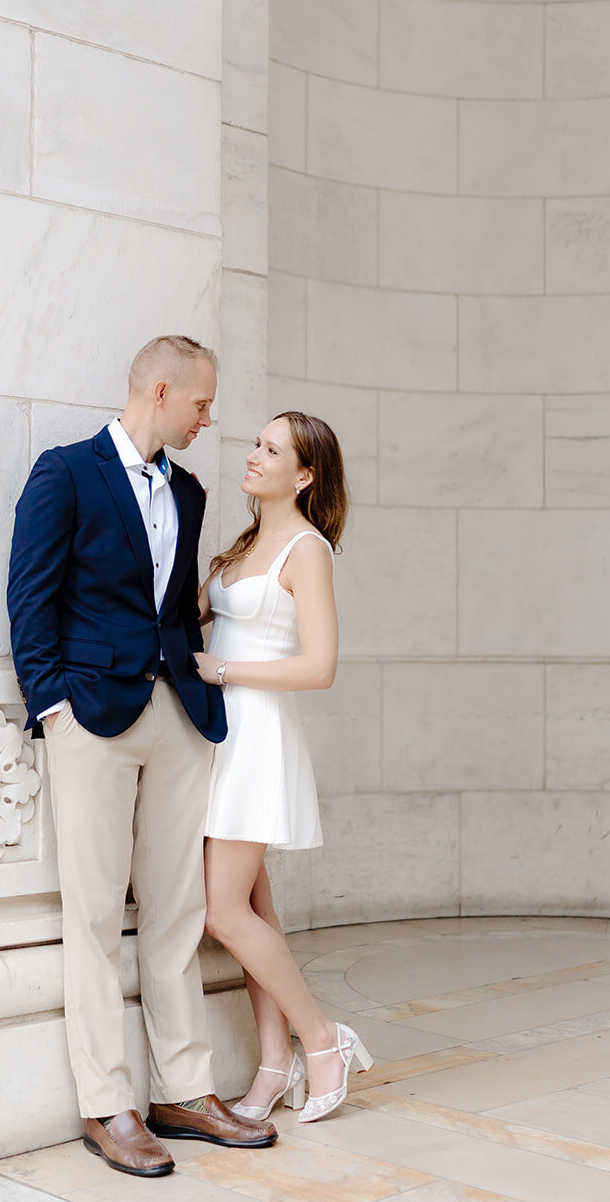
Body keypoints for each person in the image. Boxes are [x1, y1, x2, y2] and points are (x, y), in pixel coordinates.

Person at [6, 335, 277, 1180]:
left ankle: (183, 1090)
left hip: (177, 714)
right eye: (201, 405)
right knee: (91, 914)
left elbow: (173, 603)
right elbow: (29, 594)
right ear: (160, 392)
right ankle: (108, 1103)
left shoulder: (187, 491)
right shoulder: (67, 472)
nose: (208, 419)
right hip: (92, 715)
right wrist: (53, 706)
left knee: (175, 913)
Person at [191, 411, 372, 1125]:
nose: (253, 454)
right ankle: (273, 1062)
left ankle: (323, 1038)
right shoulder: (238, 546)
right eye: (255, 443)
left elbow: (319, 666)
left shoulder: (307, 549)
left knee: (221, 910)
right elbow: (181, 613)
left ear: (304, 475)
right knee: (253, 910)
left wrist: (224, 668)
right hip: (217, 738)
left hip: (257, 739)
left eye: (272, 449)